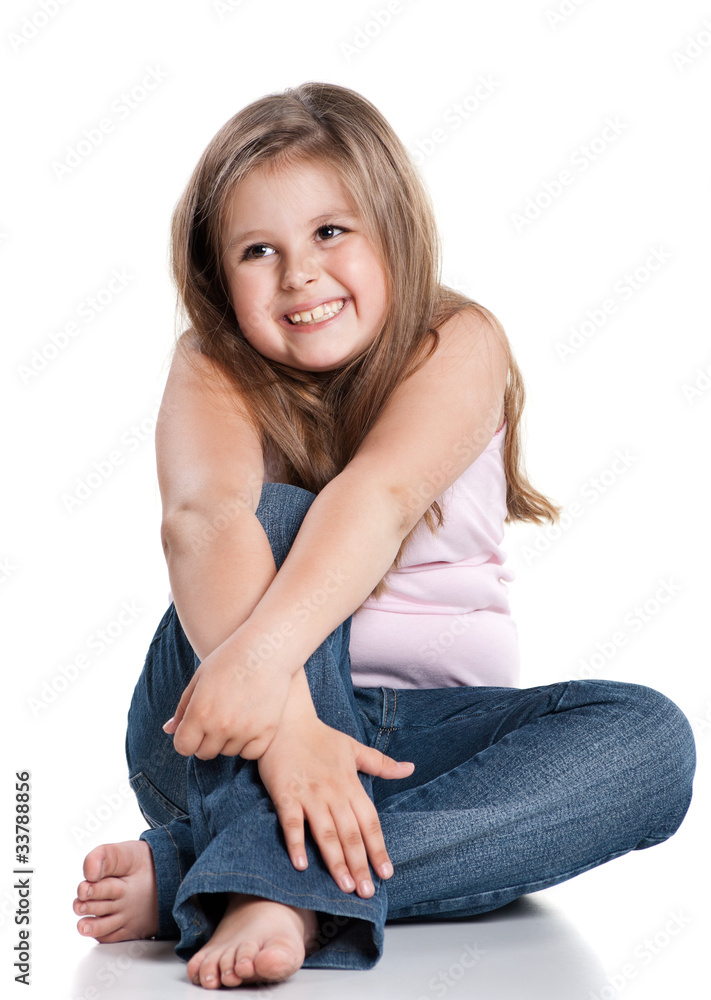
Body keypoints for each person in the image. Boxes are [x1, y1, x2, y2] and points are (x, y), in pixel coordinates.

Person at [72, 81, 696, 990]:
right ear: (216, 277)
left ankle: (207, 874)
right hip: (226, 733)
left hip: (422, 751)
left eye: (331, 232)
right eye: (259, 251)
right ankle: (262, 854)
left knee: (649, 743)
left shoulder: (458, 338)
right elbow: (200, 520)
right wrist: (283, 721)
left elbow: (381, 494)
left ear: (394, 229)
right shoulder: (213, 364)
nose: (300, 275)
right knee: (271, 519)